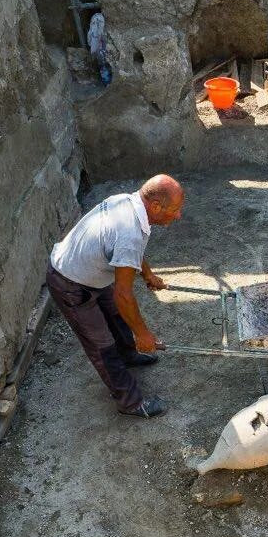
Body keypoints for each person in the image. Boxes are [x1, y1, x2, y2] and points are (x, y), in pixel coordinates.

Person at [46, 175, 184, 418]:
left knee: (116, 316)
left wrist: (148, 274)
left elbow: (128, 250)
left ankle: (129, 354)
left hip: (89, 272)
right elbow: (124, 294)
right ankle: (130, 403)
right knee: (102, 346)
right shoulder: (130, 232)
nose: (178, 215)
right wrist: (143, 334)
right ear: (155, 206)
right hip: (70, 283)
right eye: (174, 210)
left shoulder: (127, 202)